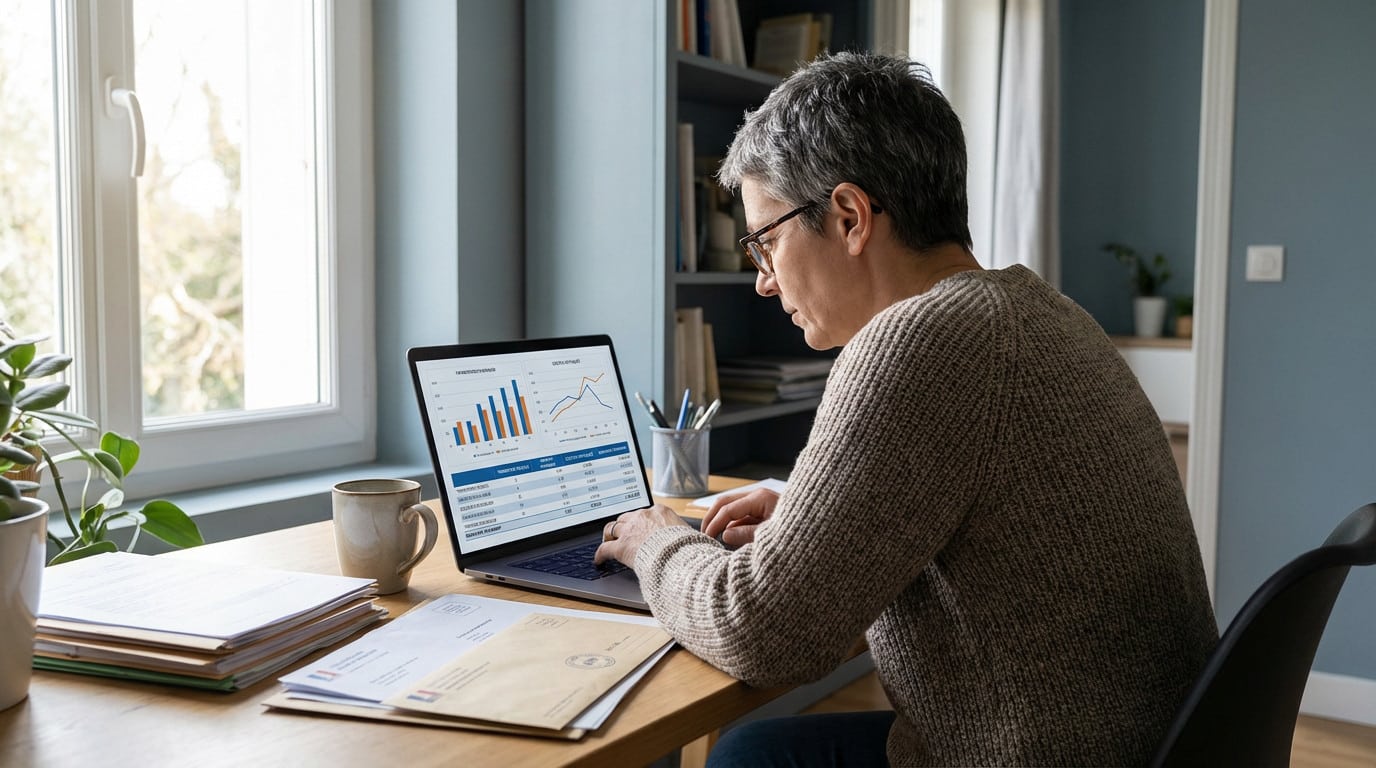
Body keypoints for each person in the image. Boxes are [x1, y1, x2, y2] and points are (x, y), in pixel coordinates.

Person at [594, 51, 1217, 767]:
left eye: (766, 241)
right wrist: (806, 503)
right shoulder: (1039, 309)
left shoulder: (919, 341)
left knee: (747, 758)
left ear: (851, 216)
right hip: (1144, 742)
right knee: (758, 748)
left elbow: (761, 633)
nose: (764, 282)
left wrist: (654, 542)